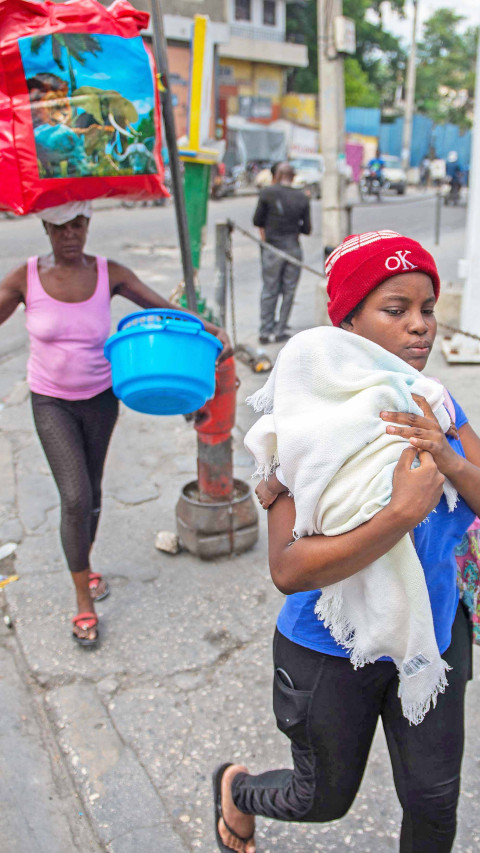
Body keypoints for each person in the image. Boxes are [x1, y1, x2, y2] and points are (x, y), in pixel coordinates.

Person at [212, 230, 480, 853]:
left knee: (435, 804)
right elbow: (287, 568)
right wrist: (398, 514)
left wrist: (449, 456)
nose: (421, 327)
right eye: (396, 309)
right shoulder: (297, 427)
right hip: (327, 645)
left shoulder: (437, 404)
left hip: (433, 631)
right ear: (349, 320)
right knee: (322, 799)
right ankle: (237, 790)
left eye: (428, 309)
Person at [0, 201, 231, 647]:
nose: (70, 235)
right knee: (74, 495)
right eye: (61, 227)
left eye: (78, 226)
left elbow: (165, 310)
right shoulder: (25, 277)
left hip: (101, 398)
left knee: (94, 491)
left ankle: (83, 564)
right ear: (47, 227)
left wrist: (209, 329)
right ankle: (82, 598)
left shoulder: (110, 272)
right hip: (51, 400)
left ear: (88, 226)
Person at [253, 162, 311, 345]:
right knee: (289, 291)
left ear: (276, 175)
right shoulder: (302, 197)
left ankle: (265, 330)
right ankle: (280, 330)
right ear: (293, 177)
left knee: (269, 289)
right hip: (293, 248)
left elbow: (257, 220)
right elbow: (307, 228)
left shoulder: (267, 193)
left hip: (272, 248)